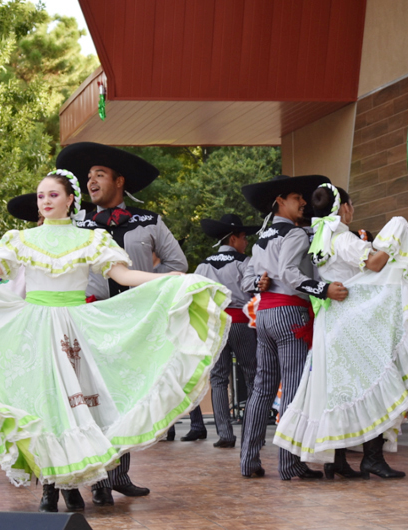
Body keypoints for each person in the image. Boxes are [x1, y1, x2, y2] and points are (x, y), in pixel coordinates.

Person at [0, 169, 229, 512]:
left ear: (70, 200)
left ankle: (89, 480)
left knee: (84, 404)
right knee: (43, 404)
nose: (45, 201)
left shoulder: (92, 239)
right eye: (40, 196)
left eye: (52, 195)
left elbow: (125, 277)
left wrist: (177, 280)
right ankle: (50, 486)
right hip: (33, 328)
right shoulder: (21, 239)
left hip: (77, 327)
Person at [273, 184, 408, 479]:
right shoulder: (342, 239)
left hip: (331, 321)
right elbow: (376, 264)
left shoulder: (320, 241)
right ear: (344, 208)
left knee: (338, 389)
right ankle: (372, 458)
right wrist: (396, 237)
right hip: (351, 321)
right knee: (370, 383)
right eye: (350, 205)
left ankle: (336, 460)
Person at [58, 142, 189, 505]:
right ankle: (98, 477)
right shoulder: (77, 225)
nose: (91, 181)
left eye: (99, 174)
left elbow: (177, 263)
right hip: (89, 318)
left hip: (135, 321)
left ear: (119, 181)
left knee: (125, 395)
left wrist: (146, 286)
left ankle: (118, 474)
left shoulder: (148, 221)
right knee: (91, 396)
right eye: (88, 177)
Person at [238, 175, 348, 481]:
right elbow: (288, 273)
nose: (303, 202)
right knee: (293, 388)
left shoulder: (260, 238)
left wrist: (256, 283)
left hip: (265, 315)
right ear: (280, 201)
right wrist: (323, 290)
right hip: (291, 313)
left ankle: (248, 461)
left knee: (261, 388)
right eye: (297, 197)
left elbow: (246, 279)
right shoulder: (297, 234)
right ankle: (289, 463)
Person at [179, 214, 260, 448]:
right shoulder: (245, 262)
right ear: (233, 238)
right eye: (244, 237)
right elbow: (253, 290)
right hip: (241, 322)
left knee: (217, 379)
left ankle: (225, 434)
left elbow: (194, 296)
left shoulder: (204, 265)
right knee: (252, 375)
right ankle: (252, 432)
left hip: (215, 325)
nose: (246, 242)